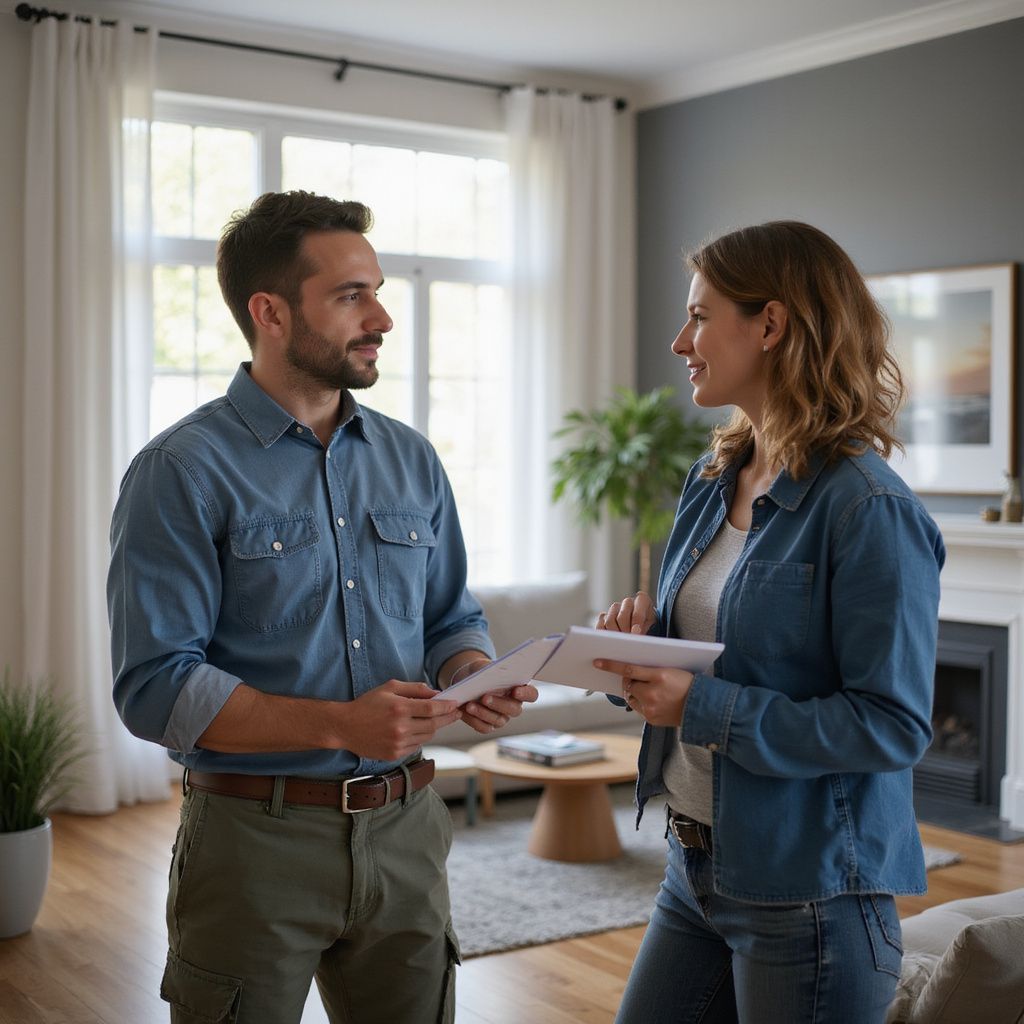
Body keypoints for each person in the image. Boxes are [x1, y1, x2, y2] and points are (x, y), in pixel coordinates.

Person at [108, 190, 537, 1024]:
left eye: (377, 291)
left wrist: (471, 671)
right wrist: (342, 725)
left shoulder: (411, 458)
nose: (381, 317)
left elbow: (450, 611)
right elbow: (156, 687)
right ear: (269, 311)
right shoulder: (180, 472)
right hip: (251, 845)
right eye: (351, 296)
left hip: (409, 831)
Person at [593, 221, 944, 1024]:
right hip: (694, 867)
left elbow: (891, 726)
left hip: (810, 895)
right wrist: (638, 656)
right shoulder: (713, 477)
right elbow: (721, 657)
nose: (681, 340)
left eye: (699, 315)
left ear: (772, 325)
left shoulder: (868, 508)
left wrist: (698, 705)